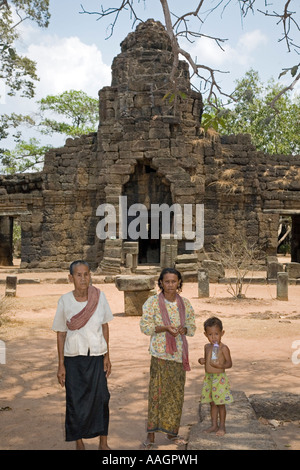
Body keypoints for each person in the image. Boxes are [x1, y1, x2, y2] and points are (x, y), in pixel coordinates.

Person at [52, 260, 113, 450]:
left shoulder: (99, 297)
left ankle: (103, 442)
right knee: (75, 400)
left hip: (96, 356)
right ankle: (79, 442)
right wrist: (61, 365)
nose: (83, 278)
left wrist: (107, 356)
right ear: (71, 278)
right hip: (73, 359)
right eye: (78, 275)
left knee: (102, 398)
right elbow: (61, 333)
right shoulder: (65, 301)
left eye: (86, 274)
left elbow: (104, 326)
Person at [140, 267, 196, 449]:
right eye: (167, 282)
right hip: (160, 355)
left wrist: (183, 329)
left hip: (179, 356)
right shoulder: (152, 303)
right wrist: (164, 328)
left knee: (176, 395)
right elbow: (145, 326)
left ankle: (172, 433)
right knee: (156, 394)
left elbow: (192, 326)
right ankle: (151, 436)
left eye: (174, 281)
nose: (171, 285)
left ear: (179, 282)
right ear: (161, 283)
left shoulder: (185, 304)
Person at [198, 316, 233, 436]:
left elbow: (229, 363)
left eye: (216, 334)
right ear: (205, 334)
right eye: (210, 334)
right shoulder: (207, 347)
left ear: (222, 333)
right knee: (212, 403)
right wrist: (202, 360)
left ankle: (222, 426)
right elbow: (206, 360)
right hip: (209, 378)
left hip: (219, 379)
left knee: (220, 403)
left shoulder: (223, 348)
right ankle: (214, 425)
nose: (214, 337)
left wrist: (220, 365)